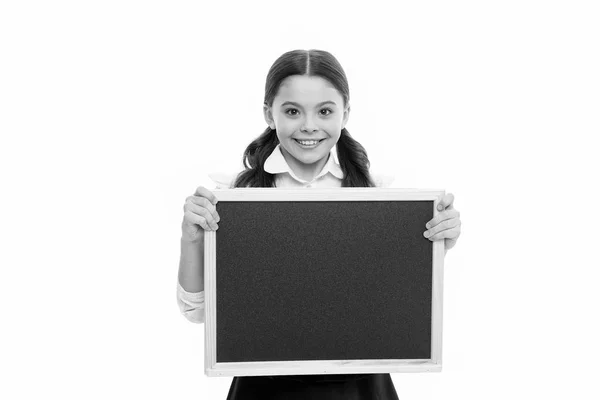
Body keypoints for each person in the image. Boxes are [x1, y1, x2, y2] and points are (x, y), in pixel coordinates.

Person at [177, 49, 462, 400]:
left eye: (325, 111)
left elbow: (389, 304)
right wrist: (190, 240)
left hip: (360, 387)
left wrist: (434, 246)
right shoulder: (235, 197)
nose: (309, 125)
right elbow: (198, 313)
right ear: (270, 114)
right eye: (293, 111)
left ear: (345, 114)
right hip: (263, 388)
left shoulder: (379, 195)